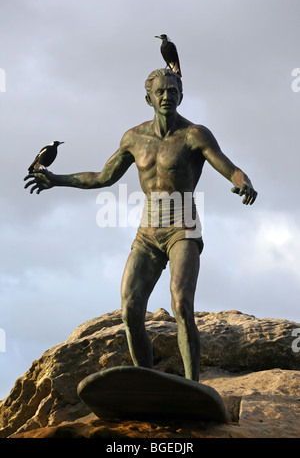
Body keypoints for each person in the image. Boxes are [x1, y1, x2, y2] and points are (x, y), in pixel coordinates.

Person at [24, 68, 257, 381]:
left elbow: (229, 167)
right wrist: (57, 180)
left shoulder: (194, 134)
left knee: (181, 303)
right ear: (149, 98)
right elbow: (102, 177)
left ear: (181, 96)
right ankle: (147, 383)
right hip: (147, 231)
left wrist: (243, 182)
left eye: (172, 91)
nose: (166, 97)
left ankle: (192, 386)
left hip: (182, 226)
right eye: (160, 92)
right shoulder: (134, 138)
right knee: (130, 310)